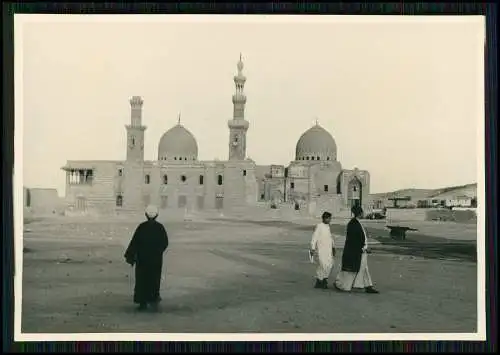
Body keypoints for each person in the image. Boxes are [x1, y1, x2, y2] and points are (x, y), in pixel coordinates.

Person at [124, 205, 169, 311]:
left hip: (142, 260)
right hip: (155, 260)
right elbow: (165, 243)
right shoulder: (160, 228)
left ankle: (142, 302)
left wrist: (130, 256)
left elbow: (134, 243)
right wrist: (158, 252)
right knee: (154, 279)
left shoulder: (141, 227)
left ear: (146, 215)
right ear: (157, 215)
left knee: (142, 280)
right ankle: (153, 299)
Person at [335, 205, 379, 294]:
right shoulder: (354, 224)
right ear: (360, 213)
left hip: (358, 251)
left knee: (363, 268)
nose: (363, 213)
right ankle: (339, 284)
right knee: (351, 271)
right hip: (356, 251)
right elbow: (355, 240)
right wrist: (364, 248)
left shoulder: (356, 223)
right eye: (362, 212)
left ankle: (368, 286)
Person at [310, 211, 336, 289]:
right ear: (324, 218)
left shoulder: (327, 226)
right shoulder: (319, 226)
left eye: (330, 218)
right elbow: (314, 237)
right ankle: (321, 281)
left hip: (328, 250)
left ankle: (322, 280)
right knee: (322, 265)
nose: (329, 220)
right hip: (321, 250)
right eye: (328, 218)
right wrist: (312, 248)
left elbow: (330, 238)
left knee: (330, 265)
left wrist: (333, 247)